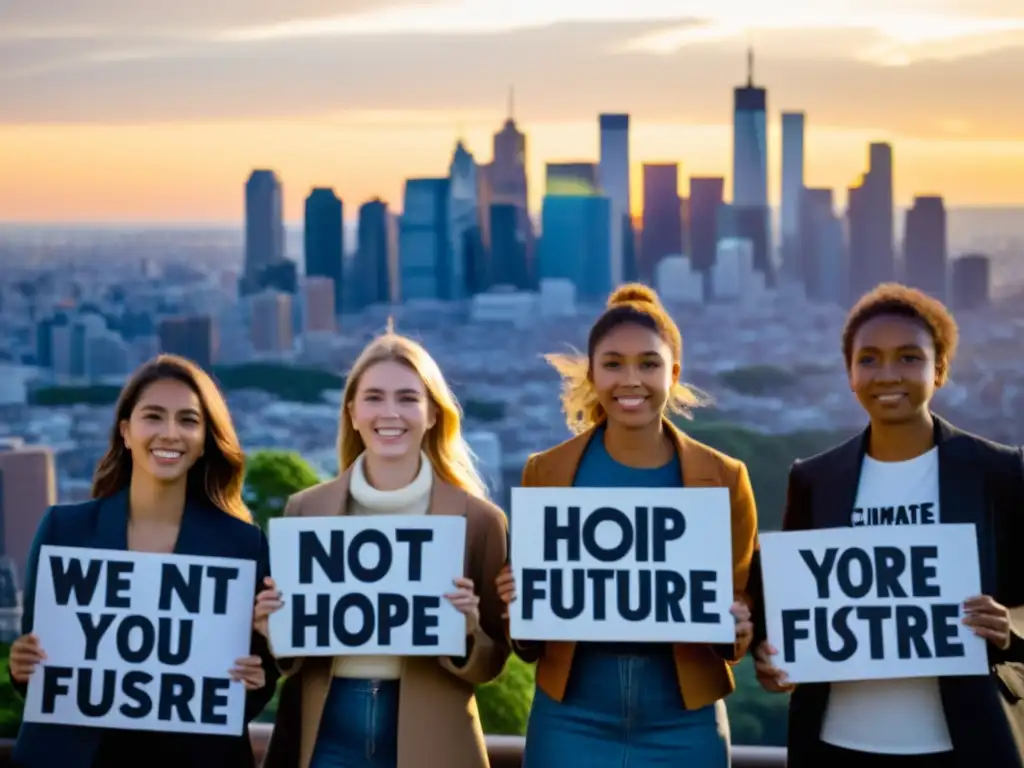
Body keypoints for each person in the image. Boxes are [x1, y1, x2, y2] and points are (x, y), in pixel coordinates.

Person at [751, 283, 1024, 767]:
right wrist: (772, 659)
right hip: (836, 745)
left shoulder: (999, 472)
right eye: (870, 359)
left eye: (909, 358)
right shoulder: (815, 479)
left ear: (939, 369)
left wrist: (1010, 629)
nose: (887, 374)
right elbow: (786, 607)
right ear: (850, 374)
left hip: (964, 746)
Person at [495, 284, 759, 768]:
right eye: (613, 364)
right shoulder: (546, 472)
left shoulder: (725, 478)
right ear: (592, 375)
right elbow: (530, 639)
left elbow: (738, 610)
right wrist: (519, 604)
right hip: (570, 714)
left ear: (673, 373)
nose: (630, 379)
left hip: (685, 717)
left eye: (648, 364)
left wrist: (738, 626)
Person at [257, 326, 510, 768]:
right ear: (352, 411)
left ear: (433, 413)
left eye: (408, 398)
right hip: (324, 732)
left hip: (433, 735)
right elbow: (292, 660)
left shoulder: (480, 521)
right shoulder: (306, 511)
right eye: (374, 397)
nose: (389, 412)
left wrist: (468, 631)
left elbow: (493, 662)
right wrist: (273, 630)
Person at [9, 354, 278, 768]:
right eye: (154, 416)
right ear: (126, 432)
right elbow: (49, 673)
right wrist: (23, 667)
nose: (170, 433)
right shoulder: (66, 530)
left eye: (188, 420)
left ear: (205, 438)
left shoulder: (242, 545)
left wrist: (254, 683)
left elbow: (253, 682)